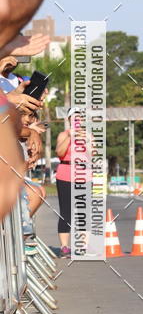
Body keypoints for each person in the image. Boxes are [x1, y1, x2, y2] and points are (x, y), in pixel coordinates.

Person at [55, 109, 75, 256]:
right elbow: (60, 153)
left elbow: (91, 154)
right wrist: (69, 137)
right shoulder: (63, 134)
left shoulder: (88, 136)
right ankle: (64, 247)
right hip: (65, 174)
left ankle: (83, 246)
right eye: (74, 117)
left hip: (83, 175)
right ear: (69, 119)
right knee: (66, 212)